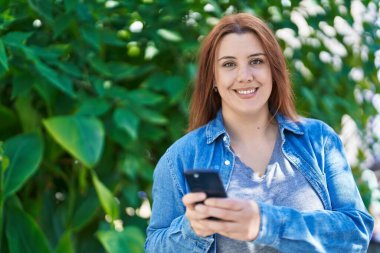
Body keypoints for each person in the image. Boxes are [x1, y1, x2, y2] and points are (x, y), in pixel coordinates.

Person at [144, 13, 374, 253]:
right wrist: (192, 229)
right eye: (229, 64)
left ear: (273, 69)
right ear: (213, 78)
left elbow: (357, 233)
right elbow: (155, 247)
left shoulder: (319, 140)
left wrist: (264, 223)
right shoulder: (181, 158)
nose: (245, 76)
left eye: (256, 61)